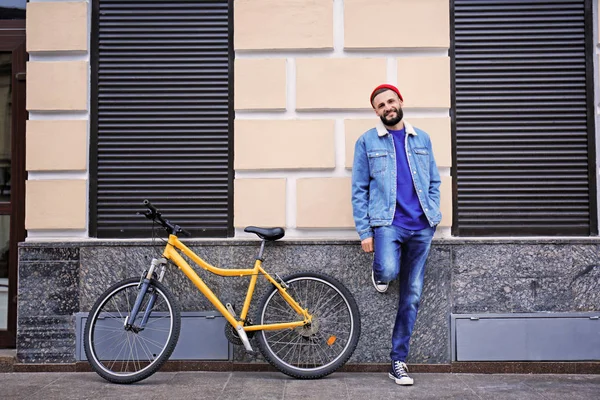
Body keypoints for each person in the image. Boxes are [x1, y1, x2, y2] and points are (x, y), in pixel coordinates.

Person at [351, 84, 441, 386]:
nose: (387, 107)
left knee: (412, 295)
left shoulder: (422, 138)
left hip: (422, 227)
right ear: (376, 111)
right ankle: (382, 272)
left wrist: (432, 213)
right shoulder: (367, 141)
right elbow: (359, 189)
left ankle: (398, 361)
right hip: (387, 222)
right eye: (380, 105)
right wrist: (365, 230)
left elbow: (434, 181)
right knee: (388, 269)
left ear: (400, 102)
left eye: (390, 101)